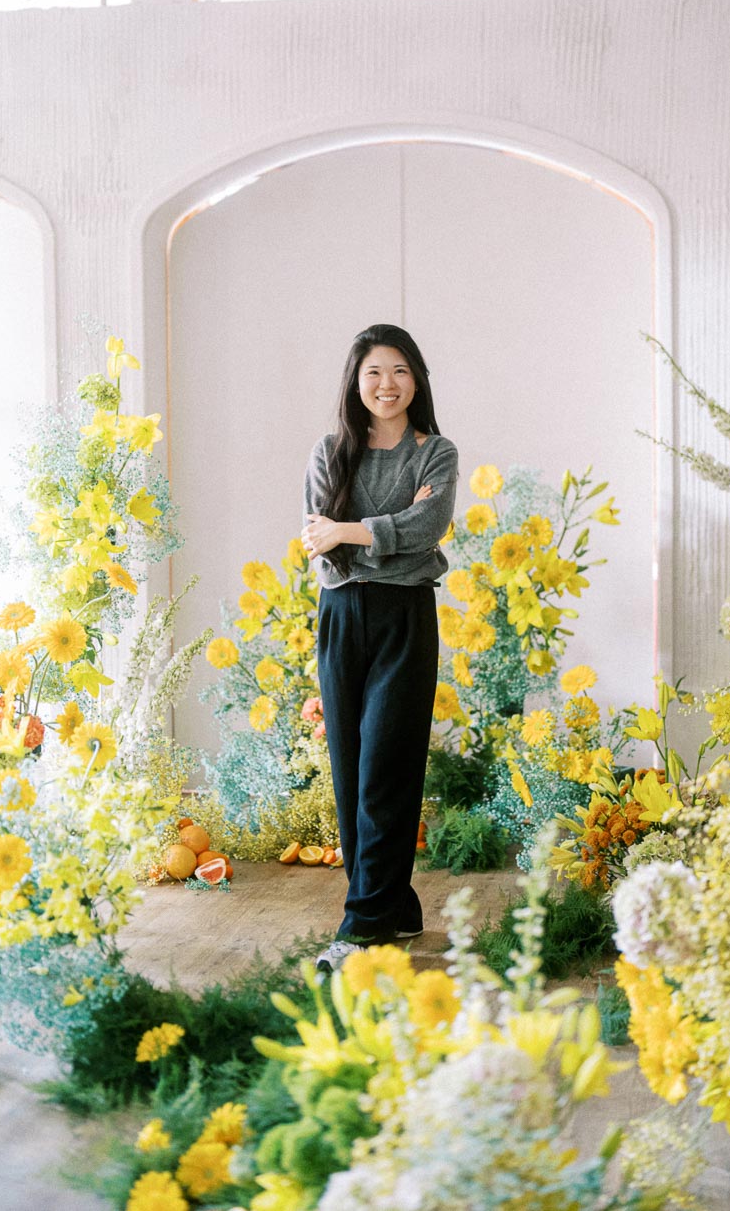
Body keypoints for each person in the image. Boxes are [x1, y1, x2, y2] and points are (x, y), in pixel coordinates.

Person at [301, 324, 458, 972]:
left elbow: (432, 527)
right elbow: (322, 549)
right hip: (340, 615)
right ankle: (393, 906)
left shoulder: (436, 453)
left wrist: (350, 531)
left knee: (388, 768)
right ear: (355, 381)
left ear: (415, 379)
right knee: (351, 769)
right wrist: (378, 541)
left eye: (398, 371)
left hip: (406, 619)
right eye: (373, 372)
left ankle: (361, 928)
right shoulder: (330, 452)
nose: (386, 384)